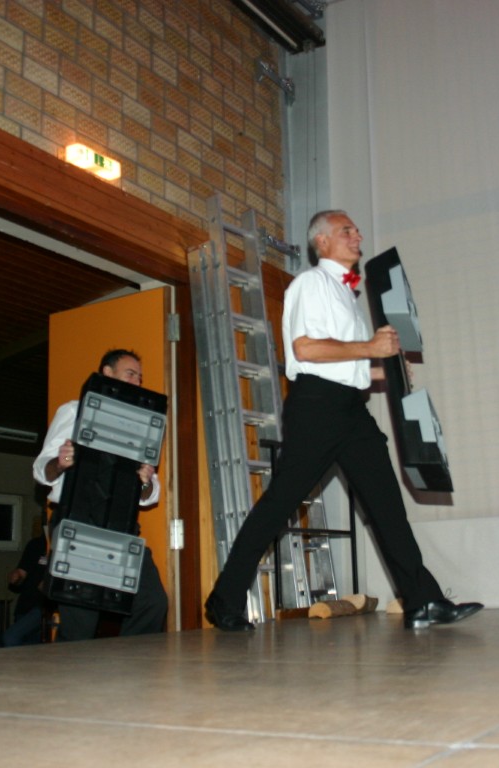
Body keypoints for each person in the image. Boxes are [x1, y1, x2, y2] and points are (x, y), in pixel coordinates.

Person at [204, 210, 483, 631]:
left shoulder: (346, 295)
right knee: (280, 503)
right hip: (317, 406)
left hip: (350, 409)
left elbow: (345, 364)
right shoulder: (310, 283)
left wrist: (385, 371)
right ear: (321, 242)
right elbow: (306, 350)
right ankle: (224, 599)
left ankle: (423, 601)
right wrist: (371, 348)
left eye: (357, 230)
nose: (358, 236)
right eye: (346, 231)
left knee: (387, 505)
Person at [33, 349, 169, 641]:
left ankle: (131, 664)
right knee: (81, 621)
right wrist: (60, 462)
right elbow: (41, 470)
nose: (137, 382)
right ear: (107, 374)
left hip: (121, 526)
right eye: (130, 374)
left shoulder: (141, 425)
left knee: (153, 601)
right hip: (77, 521)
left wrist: (146, 481)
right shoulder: (73, 411)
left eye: (140, 378)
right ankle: (72, 670)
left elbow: (150, 495)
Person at [2, 533, 49, 647]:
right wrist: (16, 577)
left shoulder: (62, 545)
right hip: (25, 606)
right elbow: (22, 572)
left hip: (45, 608)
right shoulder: (36, 544)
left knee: (11, 637)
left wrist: (49, 585)